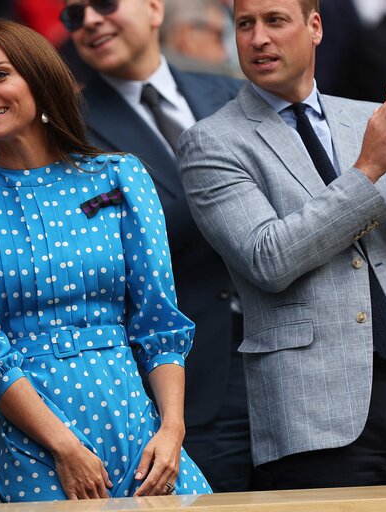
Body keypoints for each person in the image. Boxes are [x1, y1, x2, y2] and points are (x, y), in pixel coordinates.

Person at [0, 19, 211, 502]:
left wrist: (172, 432)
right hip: (39, 448)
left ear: (40, 80)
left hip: (142, 434)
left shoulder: (120, 176)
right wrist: (65, 447)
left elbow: (159, 326)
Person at [180, 0, 386, 490]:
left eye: (274, 21)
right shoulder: (211, 142)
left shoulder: (366, 118)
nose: (259, 38)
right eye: (245, 24)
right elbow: (269, 258)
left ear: (315, 27)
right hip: (316, 412)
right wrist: (368, 169)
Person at [62, 0, 251, 492]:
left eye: (103, 4)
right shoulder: (68, 129)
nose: (89, 21)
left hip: (281, 355)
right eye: (73, 15)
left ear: (153, 7)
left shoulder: (231, 93)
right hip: (182, 381)